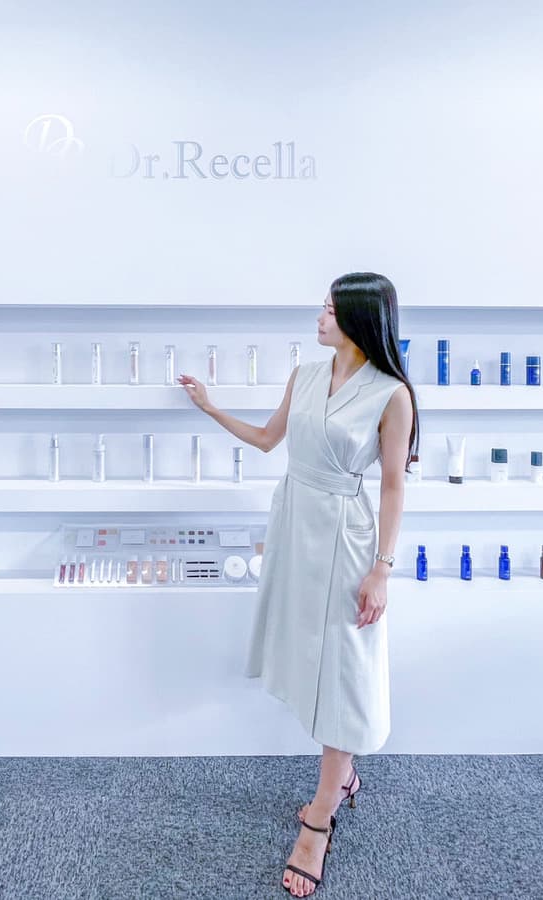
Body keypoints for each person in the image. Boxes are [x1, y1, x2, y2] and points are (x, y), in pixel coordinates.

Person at [178, 272, 418, 897]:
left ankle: (318, 821)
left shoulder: (391, 394)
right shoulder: (305, 376)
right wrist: (210, 407)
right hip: (294, 524)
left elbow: (394, 486)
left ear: (359, 322)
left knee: (344, 671)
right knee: (308, 658)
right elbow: (267, 440)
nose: (319, 317)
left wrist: (382, 569)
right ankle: (343, 778)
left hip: (348, 537)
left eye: (330, 310)